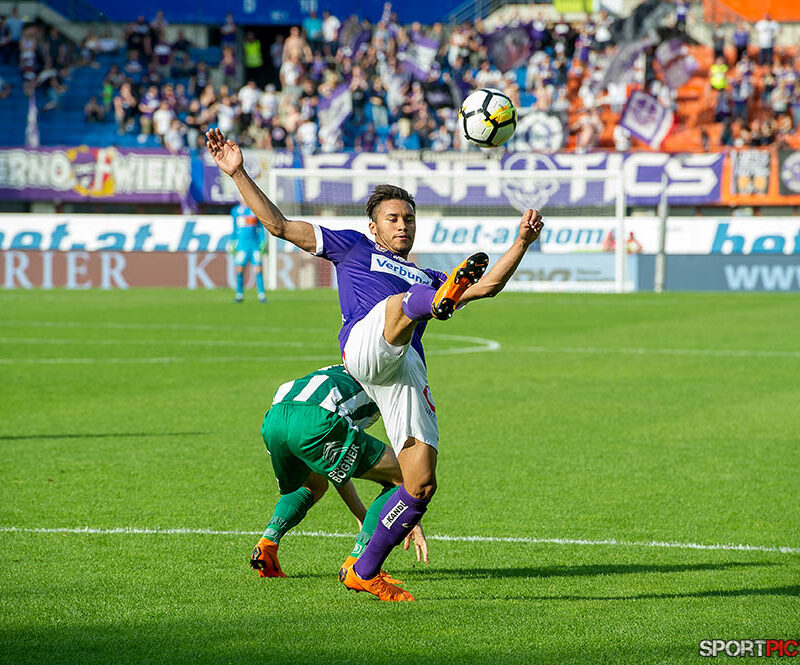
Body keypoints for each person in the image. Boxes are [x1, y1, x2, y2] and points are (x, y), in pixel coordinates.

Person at [206, 127, 545, 601]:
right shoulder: (352, 247)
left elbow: (487, 287)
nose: (402, 225)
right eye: (393, 219)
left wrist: (522, 242)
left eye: (408, 219)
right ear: (374, 226)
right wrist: (238, 173)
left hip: (404, 368)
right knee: (402, 303)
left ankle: (363, 570)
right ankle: (436, 305)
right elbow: (280, 226)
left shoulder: (426, 273)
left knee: (418, 483)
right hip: (366, 344)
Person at [250, 364, 428, 586]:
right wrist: (411, 514)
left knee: (313, 484)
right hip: (316, 418)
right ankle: (359, 564)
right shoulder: (391, 383)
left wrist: (361, 515)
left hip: (276, 417)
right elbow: (412, 472)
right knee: (404, 476)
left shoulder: (350, 365)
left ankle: (268, 543)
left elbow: (333, 468)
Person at [230, 199, 267, 303]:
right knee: (239, 269)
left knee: (258, 269)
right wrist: (232, 241)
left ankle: (261, 294)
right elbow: (234, 228)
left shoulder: (254, 210)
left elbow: (260, 228)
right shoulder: (236, 211)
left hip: (254, 245)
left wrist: (262, 241)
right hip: (242, 245)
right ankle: (239, 294)